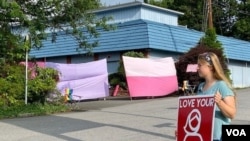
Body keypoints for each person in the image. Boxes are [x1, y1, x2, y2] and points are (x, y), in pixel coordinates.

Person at [176, 52, 236, 141]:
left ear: (210, 67)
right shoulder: (200, 87)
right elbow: (196, 114)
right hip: (204, 136)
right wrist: (182, 131)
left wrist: (220, 103)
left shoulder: (221, 86)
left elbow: (232, 114)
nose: (197, 67)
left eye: (200, 65)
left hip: (218, 137)